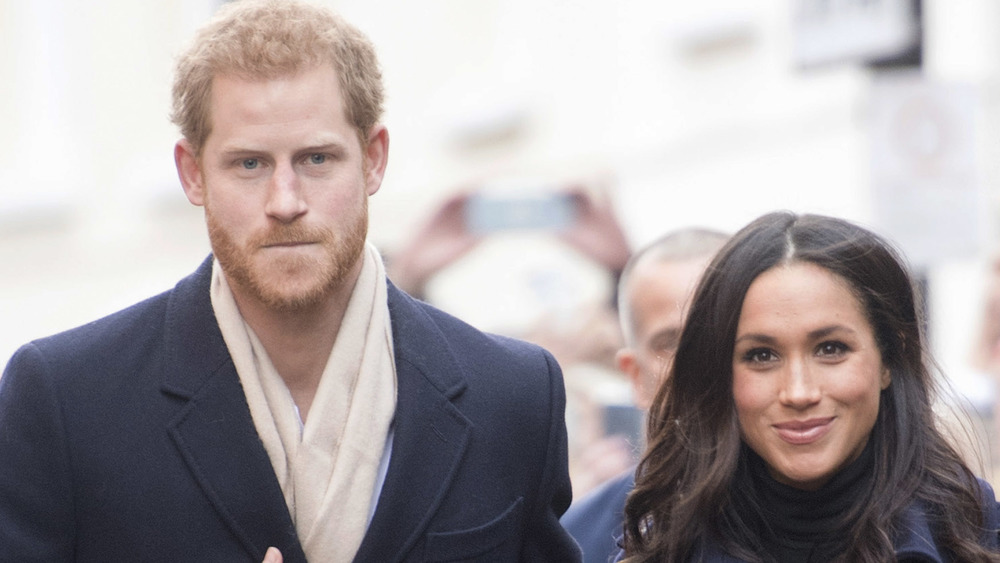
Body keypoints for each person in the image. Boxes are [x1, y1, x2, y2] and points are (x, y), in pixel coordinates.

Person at [0, 2, 581, 562]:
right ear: (191, 174)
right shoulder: (67, 403)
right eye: (249, 164)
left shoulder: (514, 397)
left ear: (374, 158)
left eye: (317, 159)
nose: (285, 202)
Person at [621, 211, 1000, 562]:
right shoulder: (665, 547)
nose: (799, 392)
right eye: (761, 356)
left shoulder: (971, 534)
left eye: (831, 349)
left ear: (889, 359)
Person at [560, 227, 728, 563]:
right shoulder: (579, 539)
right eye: (672, 343)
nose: (699, 361)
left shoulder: (835, 503)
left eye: (721, 330)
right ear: (635, 375)